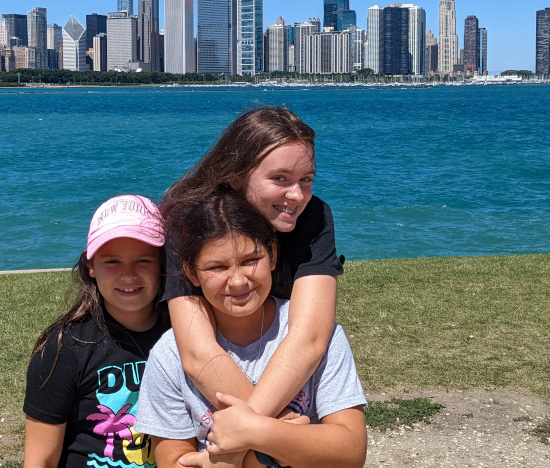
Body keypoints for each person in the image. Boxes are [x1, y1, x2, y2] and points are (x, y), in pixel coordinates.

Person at [135, 188, 367, 467]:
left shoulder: (326, 336)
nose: (237, 282)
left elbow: (351, 452)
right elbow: (172, 461)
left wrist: (255, 436)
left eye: (250, 260)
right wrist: (287, 441)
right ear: (191, 273)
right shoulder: (170, 355)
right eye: (217, 267)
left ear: (272, 255)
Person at [159, 107, 341, 444]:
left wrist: (254, 433)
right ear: (236, 175)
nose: (296, 196)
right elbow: (200, 354)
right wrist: (272, 433)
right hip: (189, 392)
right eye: (280, 179)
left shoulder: (313, 217)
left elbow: (310, 338)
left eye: (306, 180)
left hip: (263, 403)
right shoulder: (189, 219)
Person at [23, 195, 169, 468]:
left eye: (143, 260)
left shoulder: (184, 333)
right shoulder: (65, 346)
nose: (128, 275)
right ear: (90, 267)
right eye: (112, 261)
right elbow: (40, 460)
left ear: (163, 264)